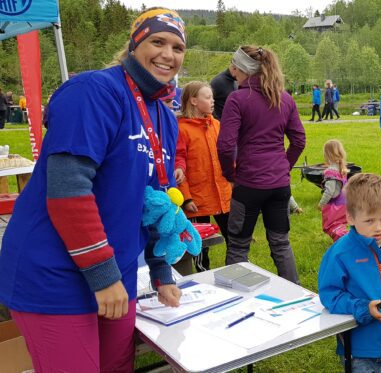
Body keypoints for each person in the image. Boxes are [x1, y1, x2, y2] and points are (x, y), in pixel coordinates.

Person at [0, 9, 188, 372]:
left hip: (116, 274)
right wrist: (104, 277)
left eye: (177, 47)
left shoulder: (165, 117)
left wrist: (161, 269)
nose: (169, 54)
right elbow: (68, 189)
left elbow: (156, 205)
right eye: (158, 41)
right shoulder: (93, 91)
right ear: (135, 45)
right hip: (54, 273)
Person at [217, 45, 306, 284]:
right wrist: (283, 167)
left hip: (248, 184)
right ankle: (296, 295)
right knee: (280, 243)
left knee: (238, 245)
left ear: (244, 69)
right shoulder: (284, 99)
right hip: (279, 186)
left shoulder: (237, 99)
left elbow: (225, 146)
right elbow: (299, 140)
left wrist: (230, 173)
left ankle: (234, 300)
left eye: (235, 67)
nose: (232, 73)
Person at [318, 173, 381, 372]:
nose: (378, 228)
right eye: (369, 220)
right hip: (358, 352)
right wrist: (366, 308)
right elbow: (330, 295)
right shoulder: (340, 254)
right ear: (350, 217)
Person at [174, 81, 232, 273]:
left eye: (212, 97)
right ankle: (202, 275)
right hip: (197, 199)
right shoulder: (181, 129)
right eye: (208, 97)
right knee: (199, 243)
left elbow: (226, 154)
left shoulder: (216, 124)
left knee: (234, 237)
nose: (213, 101)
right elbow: (178, 163)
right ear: (193, 101)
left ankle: (235, 269)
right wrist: (186, 197)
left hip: (222, 193)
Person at [318, 139, 349, 241]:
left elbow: (329, 191)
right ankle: (347, 240)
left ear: (327, 155)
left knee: (331, 226)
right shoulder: (342, 169)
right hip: (344, 204)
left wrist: (322, 203)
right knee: (339, 224)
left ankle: (345, 242)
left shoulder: (330, 172)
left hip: (334, 206)